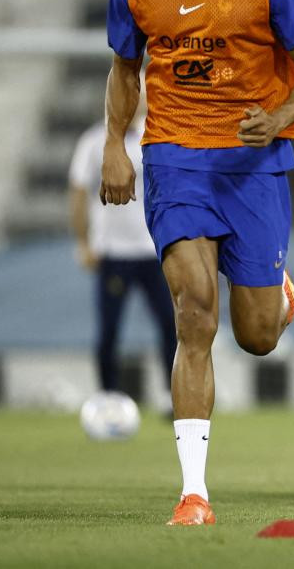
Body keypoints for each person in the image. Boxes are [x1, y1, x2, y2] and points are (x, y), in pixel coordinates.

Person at [99, 0, 294, 525]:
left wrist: (281, 116)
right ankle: (193, 492)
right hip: (174, 156)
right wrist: (117, 143)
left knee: (256, 335)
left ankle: (275, 293)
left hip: (253, 163)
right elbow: (124, 69)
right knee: (193, 310)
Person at [70, 96, 176, 400]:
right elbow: (78, 192)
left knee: (171, 323)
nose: (138, 101)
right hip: (113, 252)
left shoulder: (155, 136)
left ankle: (172, 395)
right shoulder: (94, 142)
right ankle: (108, 396)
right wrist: (82, 242)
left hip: (153, 250)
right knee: (109, 329)